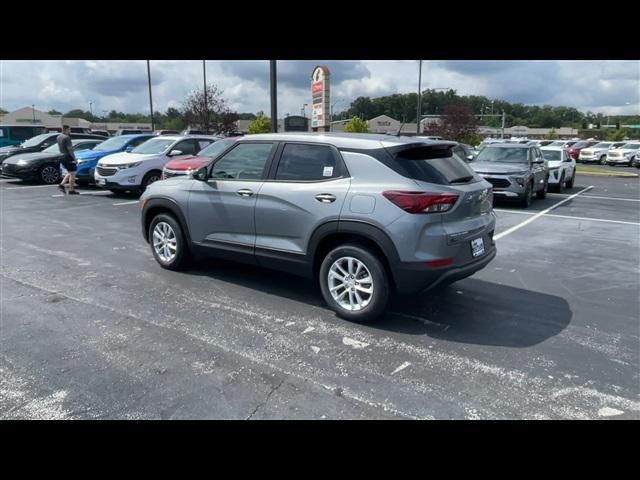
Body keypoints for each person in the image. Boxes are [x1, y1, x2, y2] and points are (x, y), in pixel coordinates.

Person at [57, 125, 79, 195]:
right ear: (66, 130)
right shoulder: (67, 138)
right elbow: (70, 149)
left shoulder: (58, 137)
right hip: (67, 156)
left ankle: (61, 185)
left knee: (70, 172)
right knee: (73, 173)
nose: (70, 131)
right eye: (69, 129)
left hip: (61, 155)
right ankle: (71, 190)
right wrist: (74, 158)